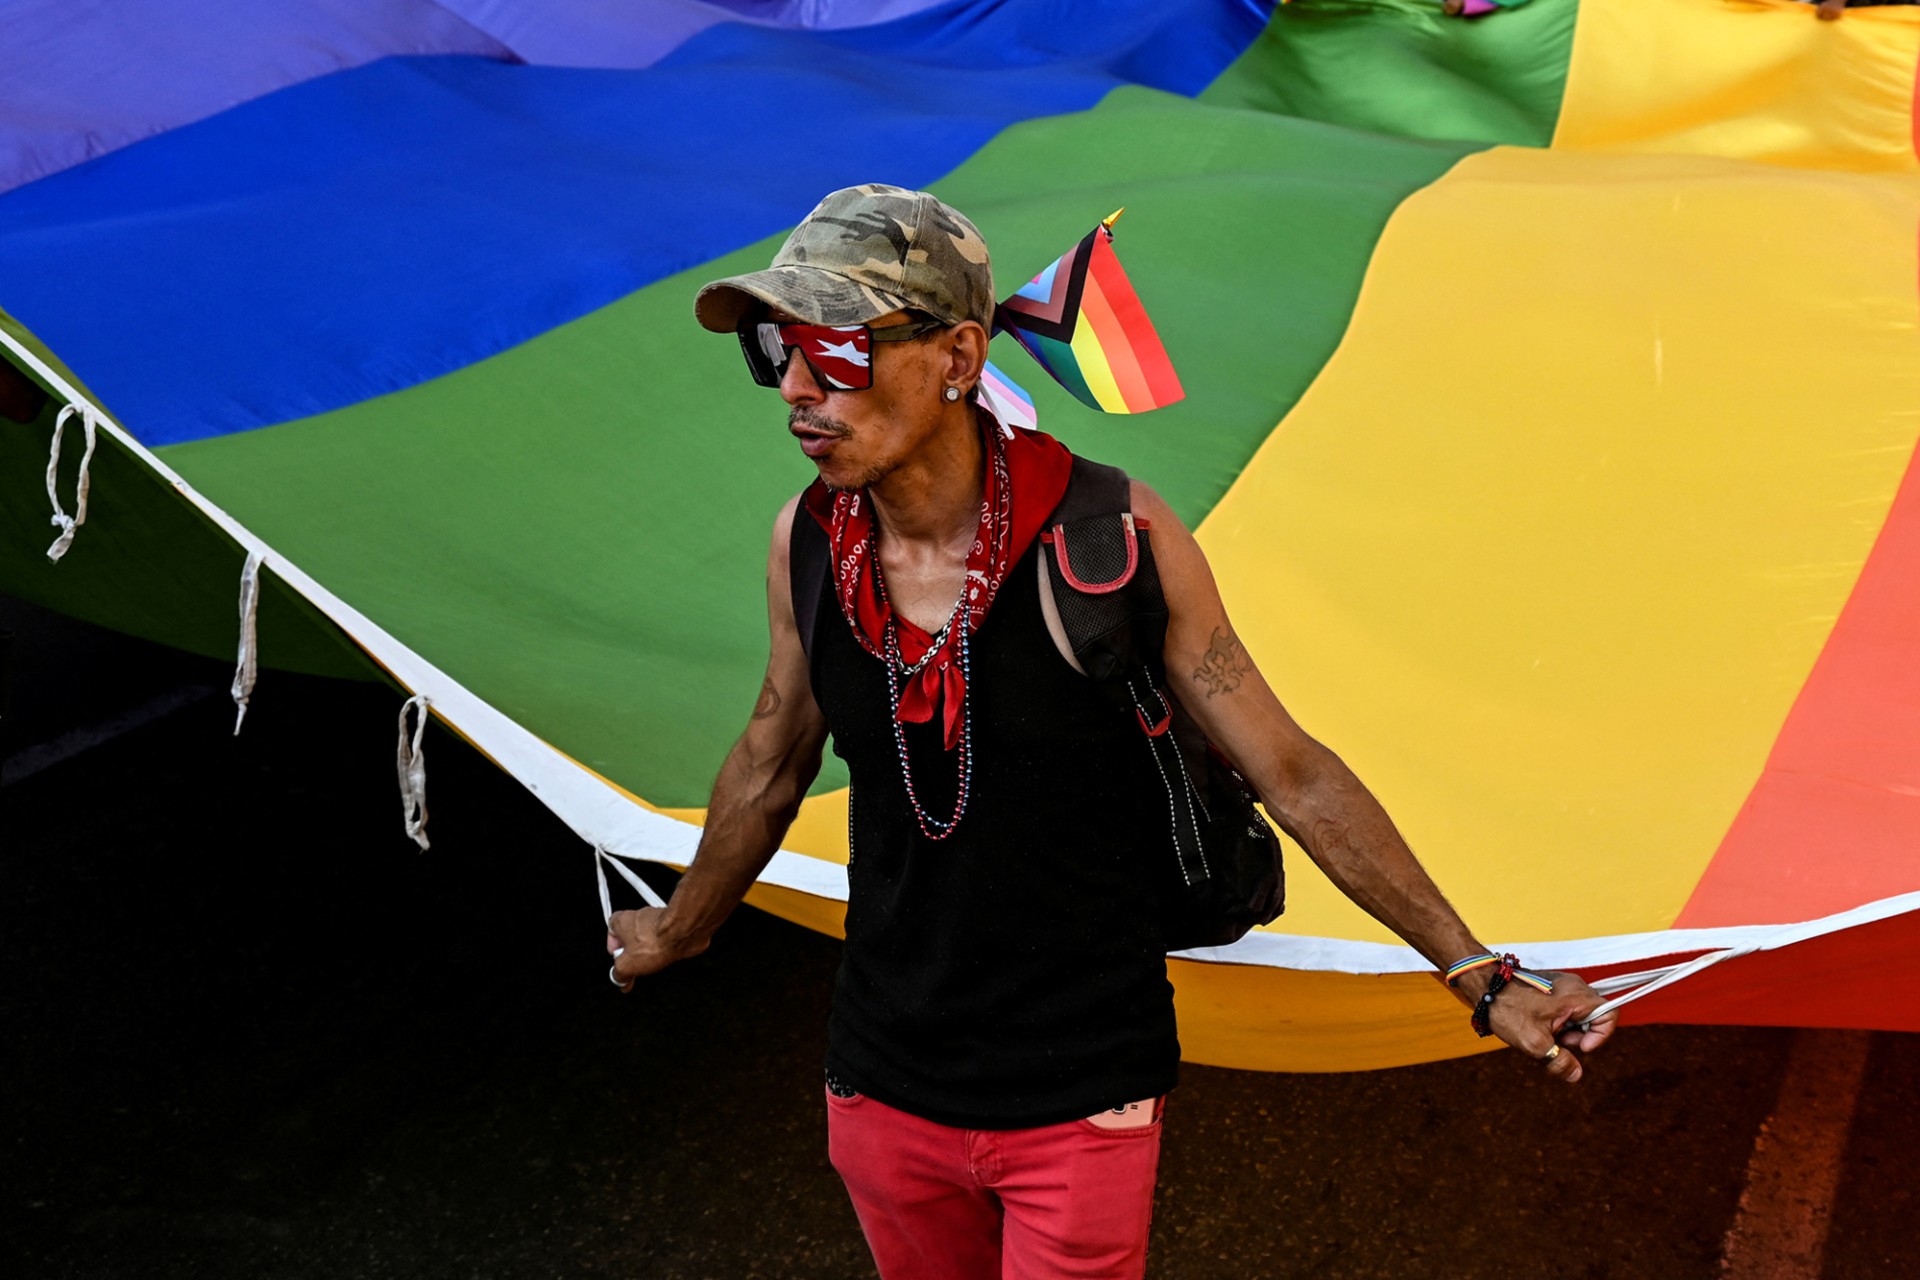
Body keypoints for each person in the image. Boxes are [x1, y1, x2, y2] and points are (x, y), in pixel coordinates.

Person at [607, 183, 1616, 1280]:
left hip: (1082, 1097)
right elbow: (769, 760)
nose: (798, 389)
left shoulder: (1110, 541)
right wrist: (679, 930)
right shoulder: (805, 542)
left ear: (956, 357)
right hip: (882, 1084)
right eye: (774, 349)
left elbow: (1291, 771)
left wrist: (1480, 977)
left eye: (836, 349)